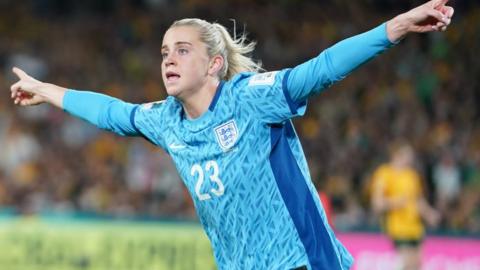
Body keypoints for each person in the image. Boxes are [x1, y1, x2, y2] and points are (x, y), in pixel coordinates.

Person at [9, 1, 453, 269]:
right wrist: (47, 90)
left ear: (215, 64)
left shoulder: (252, 99)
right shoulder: (166, 120)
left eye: (183, 50)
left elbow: (319, 70)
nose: (169, 59)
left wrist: (392, 29)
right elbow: (111, 113)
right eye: (165, 51)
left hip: (302, 262)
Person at [371, 142, 440, 270]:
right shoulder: (385, 173)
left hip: (415, 227)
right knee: (405, 263)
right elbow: (377, 203)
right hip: (398, 227)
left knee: (416, 264)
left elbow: (418, 200)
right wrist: (396, 202)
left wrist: (429, 214)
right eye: (408, 155)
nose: (411, 158)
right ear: (397, 155)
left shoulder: (412, 176)